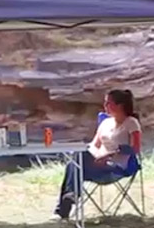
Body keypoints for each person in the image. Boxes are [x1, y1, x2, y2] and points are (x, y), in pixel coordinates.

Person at [54, 89, 142, 220]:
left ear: (120, 105)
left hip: (116, 167)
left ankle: (65, 205)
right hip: (97, 163)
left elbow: (136, 148)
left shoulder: (131, 123)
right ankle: (70, 196)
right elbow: (94, 145)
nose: (105, 106)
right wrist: (88, 152)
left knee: (75, 163)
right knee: (76, 159)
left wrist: (109, 155)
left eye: (108, 103)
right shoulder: (106, 123)